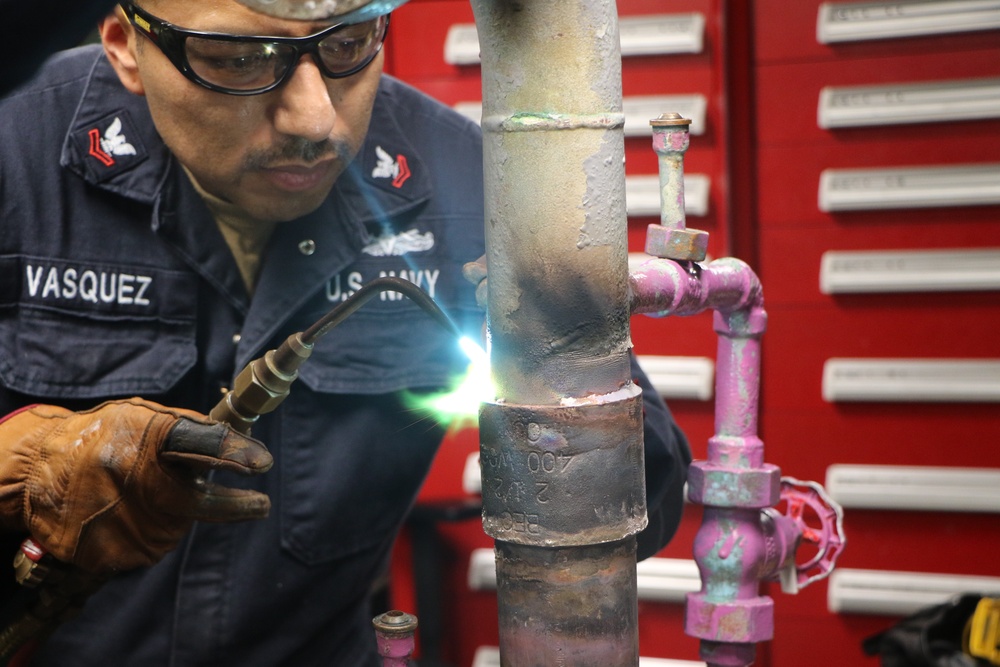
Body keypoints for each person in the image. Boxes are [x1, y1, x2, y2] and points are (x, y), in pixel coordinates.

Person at [0, 1, 692, 664]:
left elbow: (650, 477)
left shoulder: (455, 180)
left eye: (347, 46)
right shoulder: (17, 150)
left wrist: (570, 407)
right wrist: (23, 463)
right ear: (125, 41)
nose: (314, 117)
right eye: (240, 59)